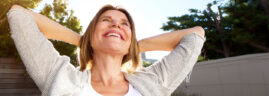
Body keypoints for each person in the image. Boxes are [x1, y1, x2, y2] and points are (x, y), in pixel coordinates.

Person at [7, 4, 205, 96]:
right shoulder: (59, 76)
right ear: (92, 33)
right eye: (106, 21)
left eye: (124, 24)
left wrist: (133, 46)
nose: (116, 25)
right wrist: (83, 40)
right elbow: (18, 15)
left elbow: (195, 35)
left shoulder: (153, 81)